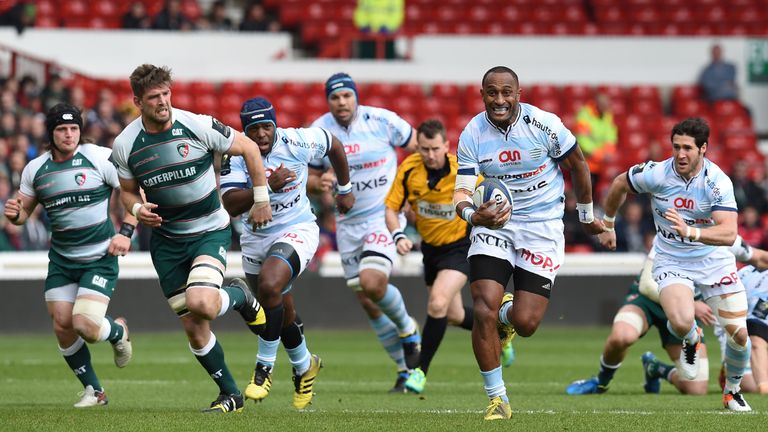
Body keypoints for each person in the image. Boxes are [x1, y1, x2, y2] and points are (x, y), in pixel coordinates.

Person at [111, 64, 271, 413]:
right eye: (154, 98)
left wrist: (261, 199)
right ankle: (230, 394)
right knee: (194, 326)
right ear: (138, 101)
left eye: (166, 94)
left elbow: (249, 149)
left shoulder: (196, 124)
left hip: (208, 231)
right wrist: (138, 212)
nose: (163, 102)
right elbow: (126, 193)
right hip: (166, 242)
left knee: (202, 303)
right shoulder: (126, 144)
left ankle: (240, 296)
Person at [453, 66, 604, 420]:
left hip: (542, 225)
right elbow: (461, 191)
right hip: (495, 225)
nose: (500, 100)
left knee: (526, 323)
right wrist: (473, 217)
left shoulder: (544, 124)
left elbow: (579, 165)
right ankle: (497, 399)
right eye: (492, 93)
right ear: (482, 94)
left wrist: (584, 218)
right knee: (482, 306)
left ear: (518, 94)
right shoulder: (472, 133)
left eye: (507, 92)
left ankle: (508, 317)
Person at [598, 117, 752, 411]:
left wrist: (690, 231)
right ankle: (691, 340)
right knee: (682, 322)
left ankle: (732, 392)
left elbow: (729, 232)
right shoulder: (657, 173)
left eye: (688, 149)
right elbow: (619, 183)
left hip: (714, 261)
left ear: (703, 149)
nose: (680, 154)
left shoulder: (717, 182)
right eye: (676, 147)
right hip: (673, 259)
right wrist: (608, 224)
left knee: (739, 334)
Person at [220, 97, 354, 409]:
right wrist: (266, 185)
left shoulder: (298, 140)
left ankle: (263, 369)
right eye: (254, 128)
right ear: (245, 130)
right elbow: (230, 204)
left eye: (267, 125)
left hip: (298, 229)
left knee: (269, 285)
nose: (262, 133)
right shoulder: (236, 153)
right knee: (279, 311)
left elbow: (333, 144)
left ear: (276, 124)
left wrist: (345, 189)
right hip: (255, 238)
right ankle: (305, 365)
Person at [3, 103, 134, 407]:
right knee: (62, 324)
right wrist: (15, 213)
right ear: (51, 133)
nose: (69, 134)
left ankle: (118, 331)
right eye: (62, 129)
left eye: (74, 128)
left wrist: (125, 232)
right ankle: (95, 391)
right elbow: (23, 213)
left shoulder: (100, 157)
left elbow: (132, 194)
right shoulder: (36, 169)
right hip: (62, 260)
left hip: (99, 257)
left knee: (85, 326)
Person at [309, 72, 421, 393]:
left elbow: (418, 150)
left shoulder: (383, 121)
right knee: (368, 301)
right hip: (347, 224)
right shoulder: (319, 131)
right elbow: (309, 176)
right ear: (328, 101)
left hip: (383, 216)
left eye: (346, 96)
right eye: (335, 97)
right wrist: (320, 184)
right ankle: (403, 369)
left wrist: (410, 194)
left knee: (373, 283)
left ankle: (407, 327)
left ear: (355, 96)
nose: (341, 102)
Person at [383, 119, 514, 395]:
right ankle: (498, 329)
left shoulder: (460, 171)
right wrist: (398, 235)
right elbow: (390, 209)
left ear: (446, 146)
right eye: (423, 149)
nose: (429, 155)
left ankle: (419, 371)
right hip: (431, 250)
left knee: (438, 302)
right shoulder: (409, 170)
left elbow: (491, 195)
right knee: (452, 314)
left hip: (459, 247)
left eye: (434, 148)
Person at [566, 245, 713, 396]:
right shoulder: (671, 233)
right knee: (622, 336)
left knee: (696, 389)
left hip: (684, 312)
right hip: (649, 299)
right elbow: (647, 285)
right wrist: (691, 304)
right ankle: (601, 382)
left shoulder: (718, 237)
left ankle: (656, 368)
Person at [574, 92, 617, 186]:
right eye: (604, 106)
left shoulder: (607, 114)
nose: (607, 108)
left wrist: (609, 151)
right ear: (597, 104)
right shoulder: (584, 114)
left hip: (599, 164)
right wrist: (600, 155)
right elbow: (582, 139)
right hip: (585, 162)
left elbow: (611, 135)